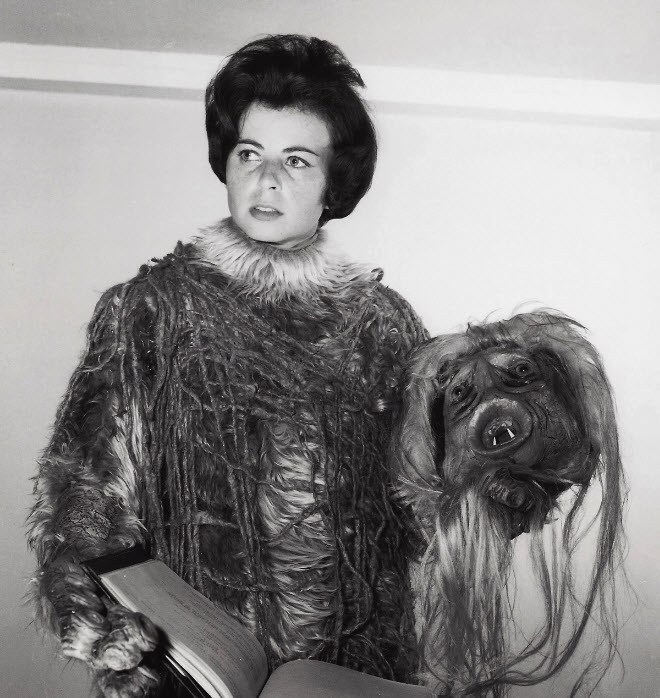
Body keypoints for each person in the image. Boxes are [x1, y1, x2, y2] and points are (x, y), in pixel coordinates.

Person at [28, 34, 428, 696]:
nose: (267, 180)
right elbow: (86, 483)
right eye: (250, 153)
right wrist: (96, 611)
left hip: (351, 660)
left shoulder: (384, 325)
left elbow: (424, 490)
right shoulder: (149, 308)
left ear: (333, 182)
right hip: (189, 662)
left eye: (296, 160)